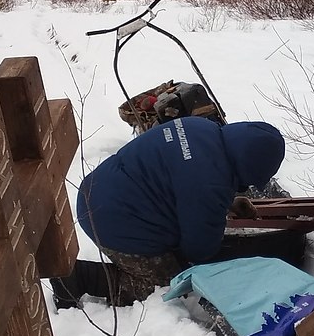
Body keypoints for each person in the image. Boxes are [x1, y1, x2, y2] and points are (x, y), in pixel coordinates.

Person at [53, 116, 285, 308]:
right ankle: (80, 278)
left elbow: (178, 177)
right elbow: (199, 249)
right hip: (114, 220)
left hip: (97, 190)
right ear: (252, 167)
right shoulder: (210, 184)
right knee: (170, 284)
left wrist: (226, 202)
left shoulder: (200, 126)